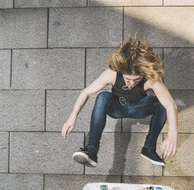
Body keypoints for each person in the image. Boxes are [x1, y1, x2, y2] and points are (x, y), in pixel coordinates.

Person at [61, 34, 178, 167]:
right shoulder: (112, 73)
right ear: (121, 72)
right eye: (128, 79)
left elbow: (171, 105)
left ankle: (148, 149)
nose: (131, 84)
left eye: (136, 80)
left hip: (137, 108)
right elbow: (86, 92)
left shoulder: (151, 78)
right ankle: (92, 150)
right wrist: (72, 117)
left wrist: (172, 135)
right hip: (117, 108)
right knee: (103, 96)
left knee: (161, 104)